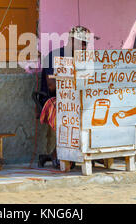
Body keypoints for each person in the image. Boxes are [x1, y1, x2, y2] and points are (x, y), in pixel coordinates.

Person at [38, 26, 99, 168]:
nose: (84, 46)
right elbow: (52, 86)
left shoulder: (84, 59)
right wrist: (76, 82)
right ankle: (58, 153)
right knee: (70, 113)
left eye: (86, 43)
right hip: (53, 99)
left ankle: (88, 150)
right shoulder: (54, 56)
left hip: (77, 98)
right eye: (81, 42)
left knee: (97, 109)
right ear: (71, 41)